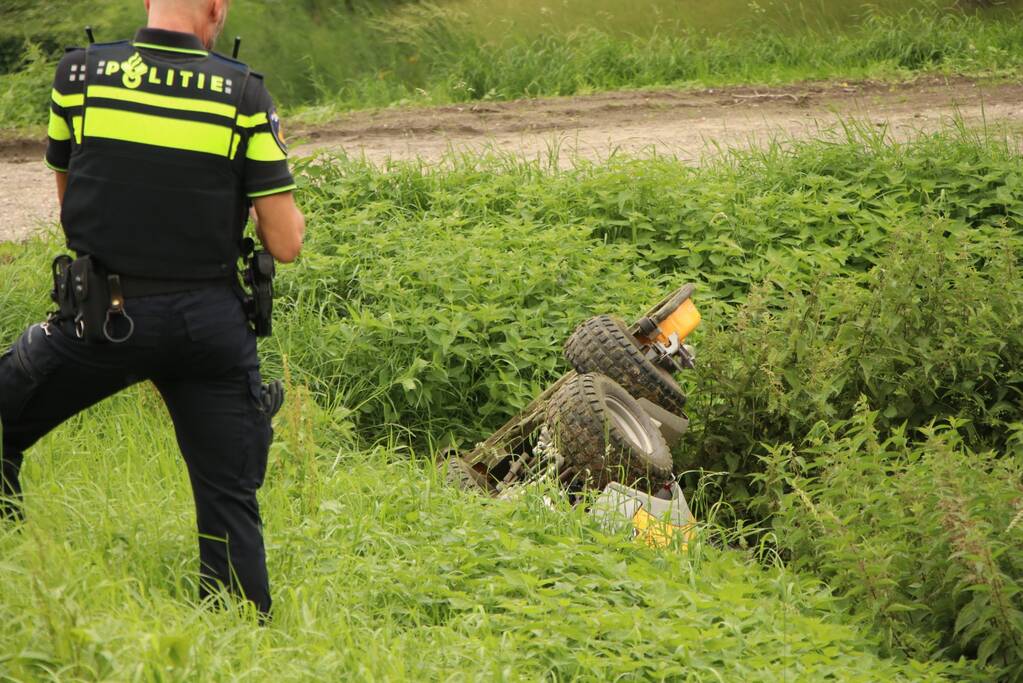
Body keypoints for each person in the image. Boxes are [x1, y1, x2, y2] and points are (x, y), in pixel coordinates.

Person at [0, 0, 305, 617]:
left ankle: (13, 563)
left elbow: (70, 210)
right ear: (215, 9)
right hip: (211, 325)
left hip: (102, 317)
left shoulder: (80, 77)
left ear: (147, 3)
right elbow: (286, 243)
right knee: (229, 497)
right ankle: (240, 626)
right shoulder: (244, 93)